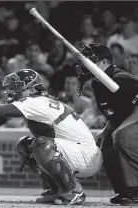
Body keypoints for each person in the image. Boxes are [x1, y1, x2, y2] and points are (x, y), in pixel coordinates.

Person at [0, 69, 102, 205]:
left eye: (18, 87)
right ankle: (58, 189)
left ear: (31, 89)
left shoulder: (37, 101)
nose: (13, 91)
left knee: (41, 145)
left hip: (85, 154)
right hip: (77, 150)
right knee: (25, 146)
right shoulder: (40, 101)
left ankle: (74, 191)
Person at [76, 43, 138, 205]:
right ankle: (125, 191)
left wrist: (121, 129)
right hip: (130, 121)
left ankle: (136, 190)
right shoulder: (98, 84)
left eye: (89, 61)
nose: (84, 65)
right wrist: (105, 131)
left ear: (103, 63)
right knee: (106, 143)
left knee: (124, 135)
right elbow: (116, 114)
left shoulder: (122, 79)